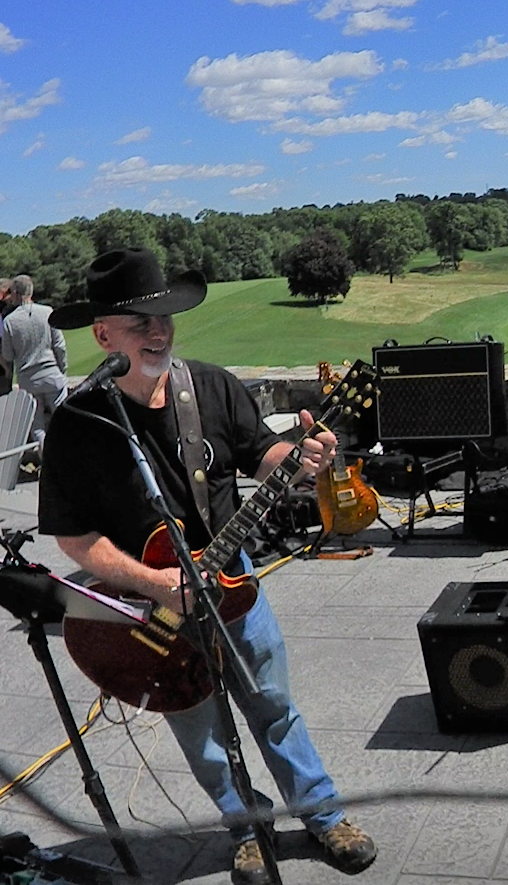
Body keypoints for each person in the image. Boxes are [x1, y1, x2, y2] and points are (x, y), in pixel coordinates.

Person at [37, 247, 377, 885]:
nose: (159, 332)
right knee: (200, 729)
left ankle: (324, 815)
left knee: (273, 704)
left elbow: (262, 455)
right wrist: (154, 582)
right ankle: (246, 827)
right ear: (103, 335)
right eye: (140, 323)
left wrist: (302, 459)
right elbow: (74, 538)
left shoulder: (212, 387)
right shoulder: (78, 424)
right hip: (146, 604)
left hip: (232, 579)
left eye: (165, 318)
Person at [1, 274, 69, 450]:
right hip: (51, 373)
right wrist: (62, 370)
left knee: (37, 427)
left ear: (15, 293)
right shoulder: (47, 312)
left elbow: (7, 355)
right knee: (66, 419)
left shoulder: (9, 321)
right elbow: (60, 346)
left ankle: (47, 459)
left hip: (28, 380)